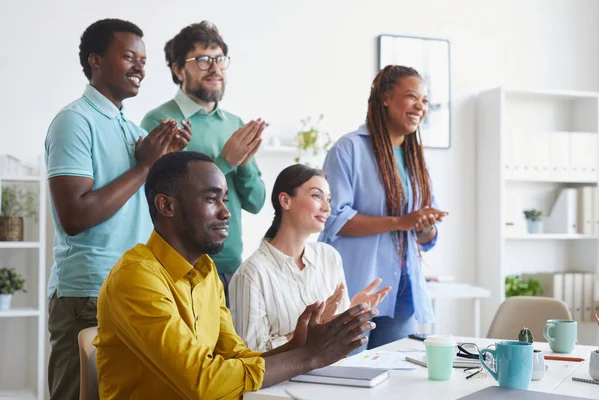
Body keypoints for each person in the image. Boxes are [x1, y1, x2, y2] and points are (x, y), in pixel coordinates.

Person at [94, 151, 377, 399]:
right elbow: (201, 382)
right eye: (211, 199)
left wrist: (299, 344)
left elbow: (235, 358)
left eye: (225, 199)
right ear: (166, 205)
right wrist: (309, 356)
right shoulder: (137, 278)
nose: (226, 212)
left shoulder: (206, 274)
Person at [44, 18, 190, 400]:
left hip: (135, 287)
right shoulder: (73, 122)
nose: (141, 67)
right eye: (129, 57)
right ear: (95, 60)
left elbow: (143, 207)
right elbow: (74, 217)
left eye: (143, 59)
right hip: (88, 292)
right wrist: (144, 166)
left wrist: (164, 162)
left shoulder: (129, 128)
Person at [319, 65, 448, 349]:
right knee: (349, 379)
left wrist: (424, 225)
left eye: (425, 101)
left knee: (396, 378)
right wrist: (400, 222)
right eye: (412, 97)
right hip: (357, 287)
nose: (420, 106)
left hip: (403, 290)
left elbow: (426, 236)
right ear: (386, 98)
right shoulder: (348, 149)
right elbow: (333, 219)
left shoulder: (416, 160)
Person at [141, 21, 265, 305]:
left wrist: (242, 162)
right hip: (180, 266)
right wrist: (227, 160)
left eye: (220, 59)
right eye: (203, 60)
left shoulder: (235, 124)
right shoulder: (158, 121)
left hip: (232, 265)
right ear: (177, 69)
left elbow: (256, 202)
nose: (215, 68)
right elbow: (159, 198)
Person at [230, 164, 391, 352]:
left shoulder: (329, 257)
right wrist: (314, 327)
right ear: (285, 200)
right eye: (316, 196)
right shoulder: (250, 274)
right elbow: (252, 355)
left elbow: (336, 335)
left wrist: (352, 311)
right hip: (285, 382)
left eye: (328, 199)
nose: (327, 208)